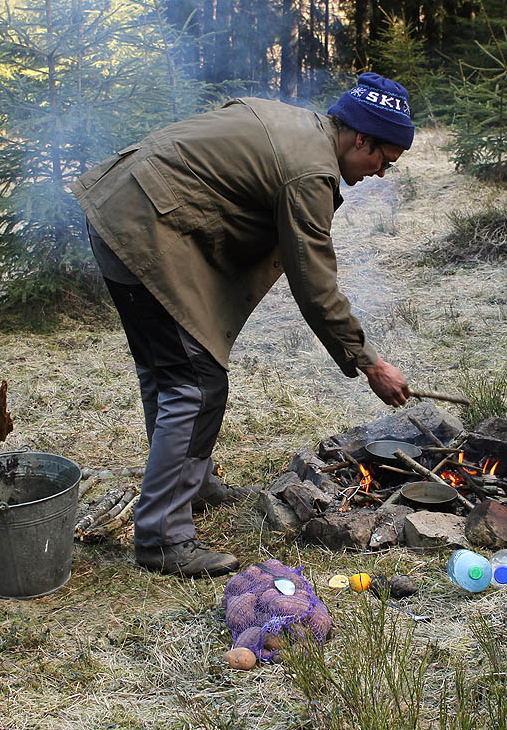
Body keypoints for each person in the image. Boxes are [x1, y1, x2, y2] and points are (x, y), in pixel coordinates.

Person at [72, 73, 415, 576]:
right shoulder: (310, 170)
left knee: (174, 373)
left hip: (122, 211)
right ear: (360, 137)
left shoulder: (300, 126)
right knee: (193, 382)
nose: (381, 172)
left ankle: (192, 485)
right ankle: (163, 538)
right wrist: (371, 363)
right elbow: (315, 284)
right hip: (142, 228)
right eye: (382, 159)